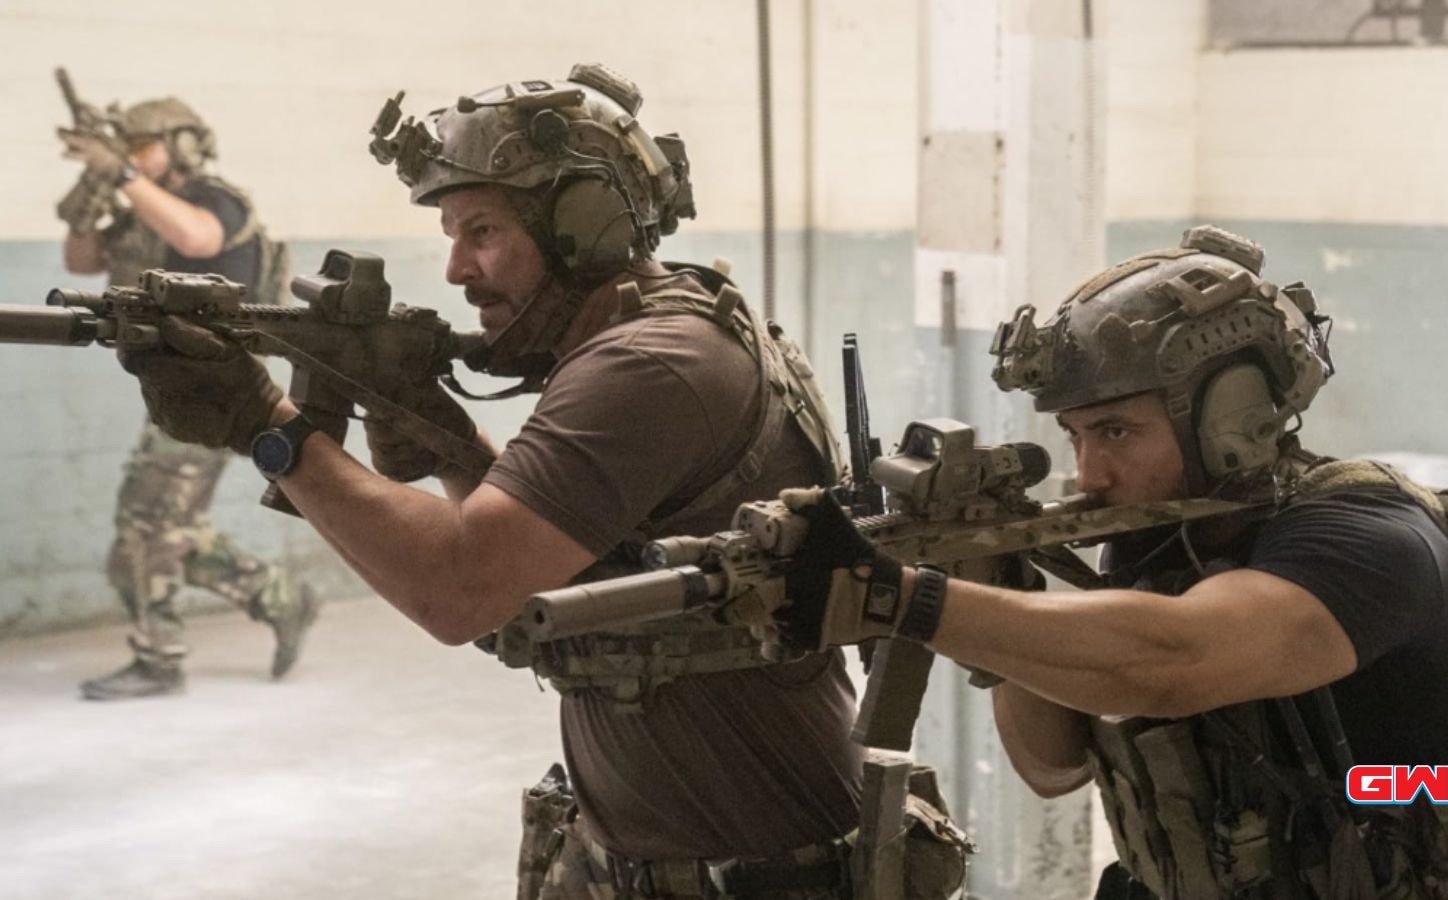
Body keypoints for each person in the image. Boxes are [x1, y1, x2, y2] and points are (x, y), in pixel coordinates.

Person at [115, 64, 963, 899]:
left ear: (584, 228)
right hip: (676, 862)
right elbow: (558, 573)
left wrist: (269, 425)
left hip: (762, 874)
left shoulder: (649, 364)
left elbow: (462, 587)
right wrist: (451, 449)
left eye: (481, 232)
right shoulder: (658, 331)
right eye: (453, 235)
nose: (455, 270)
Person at [773, 226, 1448, 899]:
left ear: (1229, 413)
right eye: (1075, 436)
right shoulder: (1160, 540)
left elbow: (1175, 661)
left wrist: (903, 600)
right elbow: (1053, 764)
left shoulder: (1367, 539)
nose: (1090, 471)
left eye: (1116, 432)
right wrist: (994, 579)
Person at [59, 96, 315, 701]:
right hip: (176, 387)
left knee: (145, 525)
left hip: (221, 386)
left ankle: (160, 659)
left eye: (142, 147)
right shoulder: (142, 210)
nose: (134, 159)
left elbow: (198, 239)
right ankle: (277, 594)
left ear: (181, 145)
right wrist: (92, 190)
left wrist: (119, 174)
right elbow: (81, 257)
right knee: (167, 532)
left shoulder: (211, 198)